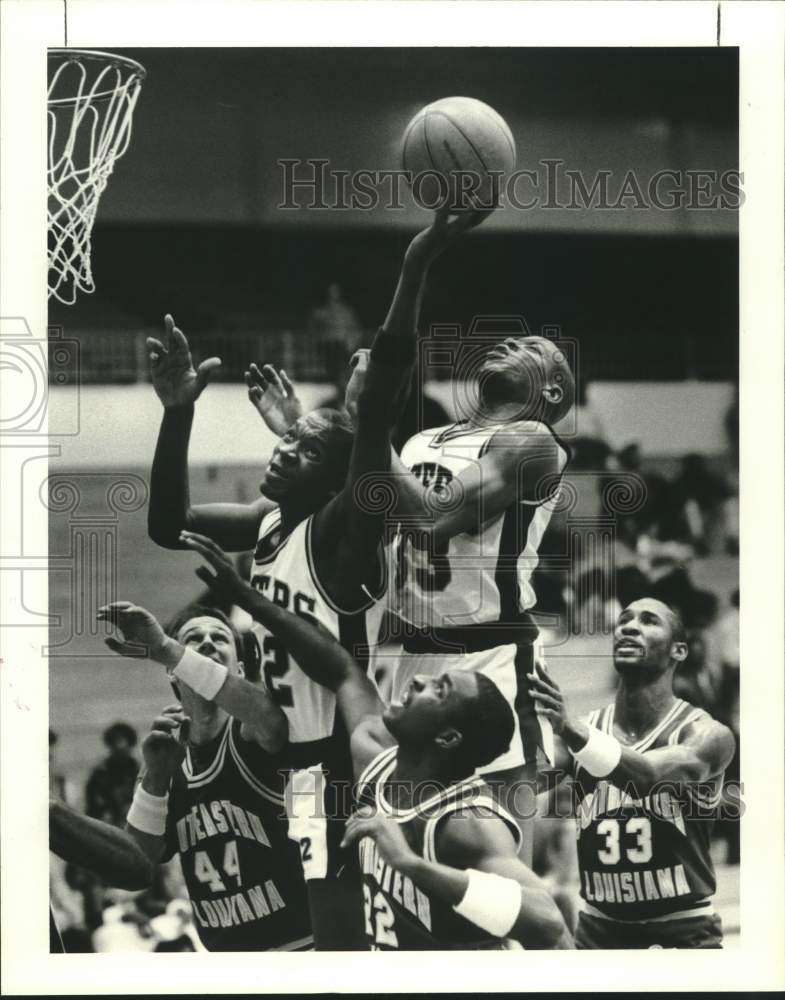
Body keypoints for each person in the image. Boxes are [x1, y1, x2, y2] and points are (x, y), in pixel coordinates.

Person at [146, 205, 486, 947]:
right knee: (305, 945)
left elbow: (371, 422)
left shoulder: (341, 536)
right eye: (285, 438)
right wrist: (177, 415)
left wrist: (414, 266)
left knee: (343, 951)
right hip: (286, 762)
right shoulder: (270, 525)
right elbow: (166, 526)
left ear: (338, 480)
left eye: (297, 447)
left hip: (339, 760)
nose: (277, 450)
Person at [179, 536, 570, 951]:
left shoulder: (466, 824)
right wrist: (249, 599)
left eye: (439, 690)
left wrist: (411, 865)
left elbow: (549, 923)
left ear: (448, 737)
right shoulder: (374, 760)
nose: (418, 680)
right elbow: (342, 668)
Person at [97, 601, 314, 952]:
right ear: (171, 671)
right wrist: (155, 777)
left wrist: (169, 648)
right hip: (225, 960)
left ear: (240, 668)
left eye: (220, 637)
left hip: (299, 947)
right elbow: (136, 865)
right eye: (193, 638)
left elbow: (271, 723)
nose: (209, 642)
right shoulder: (166, 750)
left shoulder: (251, 728)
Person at [529, 597, 736, 949]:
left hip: (681, 930)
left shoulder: (706, 735)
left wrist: (570, 729)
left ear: (679, 651)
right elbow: (522, 788)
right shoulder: (589, 729)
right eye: (624, 619)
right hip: (599, 930)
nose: (629, 626)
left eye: (648, 620)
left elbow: (649, 777)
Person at [49, 798, 155, 952]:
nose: (108, 820)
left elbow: (140, 874)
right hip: (101, 914)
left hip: (118, 906)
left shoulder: (116, 844)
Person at [85, 722, 141, 828]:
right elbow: (95, 807)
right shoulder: (100, 774)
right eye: (115, 743)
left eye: (123, 742)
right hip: (110, 826)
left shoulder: (140, 771)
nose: (120, 747)